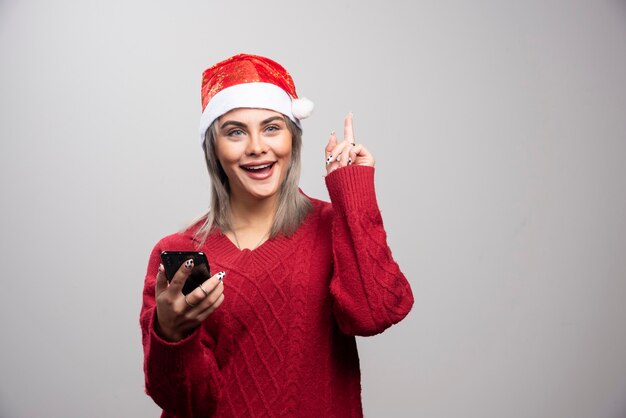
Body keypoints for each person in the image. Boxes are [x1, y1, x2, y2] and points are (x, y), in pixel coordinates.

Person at [140, 53, 414, 418]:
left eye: (271, 127)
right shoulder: (178, 251)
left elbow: (374, 313)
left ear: (292, 140)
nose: (256, 146)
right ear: (214, 149)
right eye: (235, 131)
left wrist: (352, 191)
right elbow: (184, 402)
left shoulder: (332, 225)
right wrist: (172, 336)